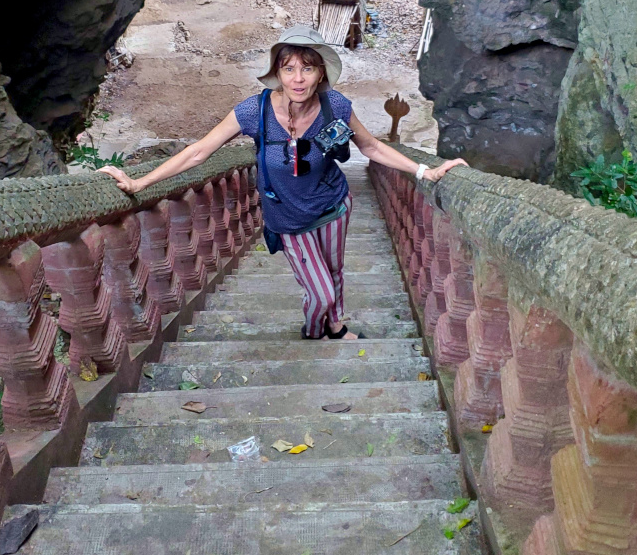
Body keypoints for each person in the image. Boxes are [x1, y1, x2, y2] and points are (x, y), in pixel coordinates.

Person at [98, 25, 467, 341]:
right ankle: (314, 331)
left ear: (320, 74)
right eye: (289, 68)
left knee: (335, 271)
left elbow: (370, 146)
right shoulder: (254, 111)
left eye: (307, 68)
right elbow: (198, 152)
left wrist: (426, 172)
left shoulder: (335, 106)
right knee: (320, 293)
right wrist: (139, 183)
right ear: (277, 73)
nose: (298, 78)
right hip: (288, 219)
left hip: (333, 207)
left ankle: (336, 326)